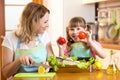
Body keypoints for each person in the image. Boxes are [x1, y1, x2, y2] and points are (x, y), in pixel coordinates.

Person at [2, 2, 54, 79]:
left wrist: (47, 65)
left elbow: (53, 65)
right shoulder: (10, 38)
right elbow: (5, 73)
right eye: (45, 22)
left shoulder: (45, 36)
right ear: (33, 21)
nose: (47, 25)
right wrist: (18, 61)